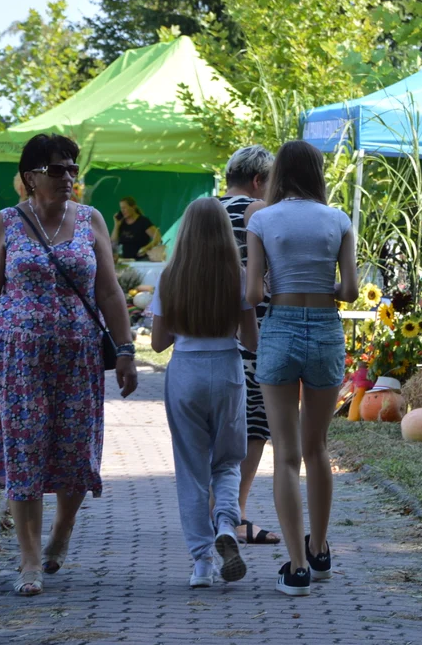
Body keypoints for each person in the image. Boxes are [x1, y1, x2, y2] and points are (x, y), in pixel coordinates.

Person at [0, 133, 138, 597]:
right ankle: (29, 557)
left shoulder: (91, 220)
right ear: (30, 176)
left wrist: (127, 349)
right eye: (58, 169)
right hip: (18, 358)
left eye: (73, 169)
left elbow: (110, 292)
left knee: (75, 448)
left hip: (79, 357)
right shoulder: (8, 222)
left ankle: (63, 529)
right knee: (25, 447)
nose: (68, 177)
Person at [244, 140, 358, 596]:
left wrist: (273, 280)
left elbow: (253, 295)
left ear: (278, 175)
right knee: (318, 449)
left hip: (281, 328)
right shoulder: (338, 220)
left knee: (286, 456)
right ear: (316, 174)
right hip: (326, 330)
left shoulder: (262, 219)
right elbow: (349, 291)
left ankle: (295, 568)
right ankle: (321, 548)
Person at [150, 198, 259, 588]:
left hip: (186, 372)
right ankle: (227, 523)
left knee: (191, 470)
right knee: (227, 461)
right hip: (227, 369)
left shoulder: (170, 277)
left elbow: (158, 343)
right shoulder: (239, 275)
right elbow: (251, 340)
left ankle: (201, 563)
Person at [218, 145, 281, 546]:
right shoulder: (258, 212)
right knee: (253, 427)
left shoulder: (200, 211)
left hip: (205, 336)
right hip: (252, 333)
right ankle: (234, 514)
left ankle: (213, 513)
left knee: (216, 431)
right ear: (259, 181)